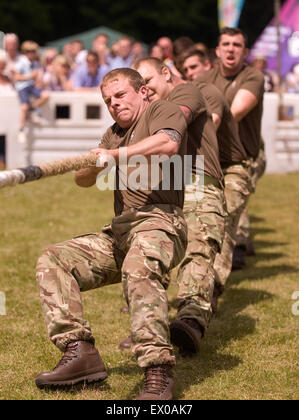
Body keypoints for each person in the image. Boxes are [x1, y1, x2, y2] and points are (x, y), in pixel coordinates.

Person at [35, 67, 190, 400]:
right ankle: (80, 353)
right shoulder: (113, 134)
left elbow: (168, 144)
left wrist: (117, 156)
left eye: (120, 95)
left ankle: (157, 372)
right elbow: (82, 179)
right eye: (108, 100)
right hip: (120, 233)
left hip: (160, 224)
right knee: (53, 260)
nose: (114, 104)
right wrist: (97, 162)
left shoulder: (163, 111)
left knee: (139, 269)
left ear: (143, 92)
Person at [126, 57, 226, 355]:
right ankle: (148, 330)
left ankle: (190, 322)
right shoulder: (147, 112)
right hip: (166, 188)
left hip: (198, 180)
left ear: (165, 73)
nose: (145, 90)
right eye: (139, 87)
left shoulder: (187, 93)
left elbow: (176, 121)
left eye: (148, 81)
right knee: (147, 255)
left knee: (198, 249)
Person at [181, 46, 252, 303]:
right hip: (205, 171)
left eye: (194, 67)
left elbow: (211, 125)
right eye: (186, 69)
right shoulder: (185, 95)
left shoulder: (207, 92)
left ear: (208, 67)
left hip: (231, 168)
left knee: (222, 219)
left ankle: (211, 288)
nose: (191, 73)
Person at [195, 27, 265, 269]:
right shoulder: (203, 80)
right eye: (226, 44)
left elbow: (234, 113)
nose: (231, 49)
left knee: (229, 212)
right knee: (206, 217)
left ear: (245, 51)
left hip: (241, 158)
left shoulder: (253, 77)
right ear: (217, 50)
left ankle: (226, 265)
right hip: (211, 157)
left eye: (237, 45)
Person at [13, 40, 49, 143]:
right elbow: (17, 77)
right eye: (28, 51)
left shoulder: (36, 63)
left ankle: (31, 109)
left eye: (33, 51)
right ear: (24, 52)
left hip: (32, 86)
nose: (31, 53)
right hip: (23, 86)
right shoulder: (21, 62)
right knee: (24, 106)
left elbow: (38, 78)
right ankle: (21, 130)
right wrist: (30, 76)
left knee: (45, 95)